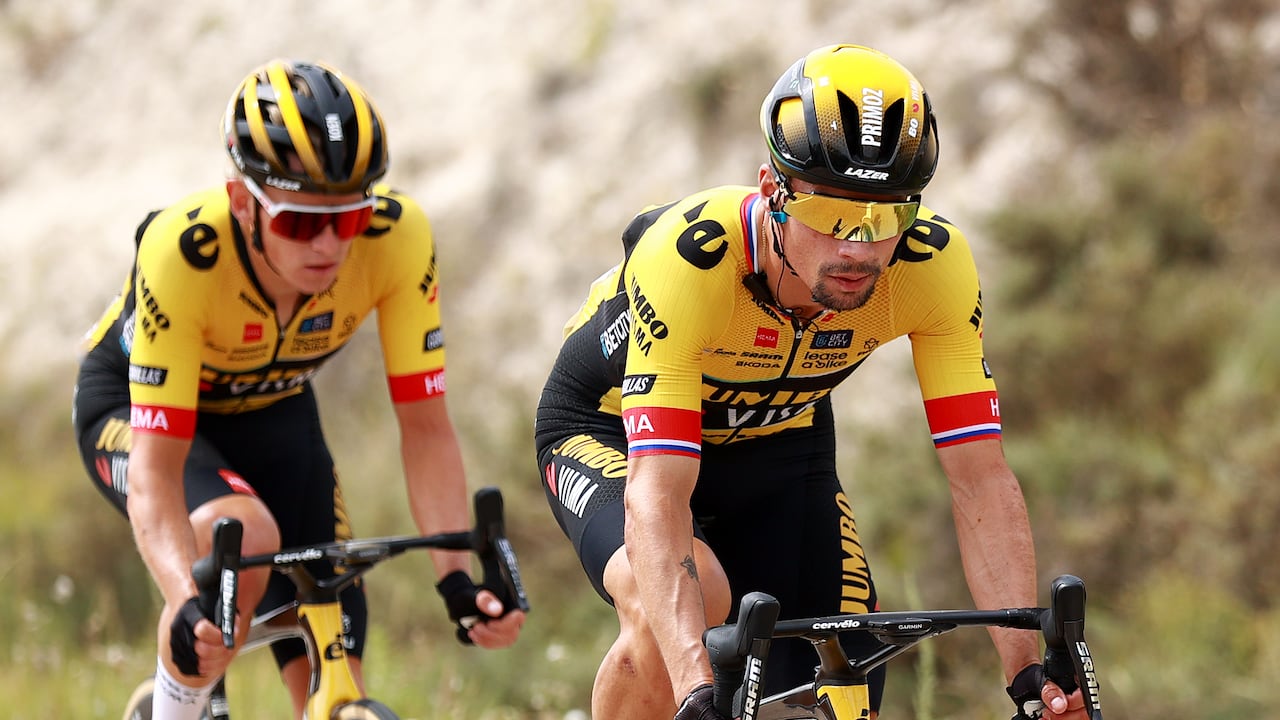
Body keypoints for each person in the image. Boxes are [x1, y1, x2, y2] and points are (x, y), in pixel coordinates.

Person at [534, 44, 1087, 720]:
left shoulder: (933, 268)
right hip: (610, 431)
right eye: (831, 216)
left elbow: (980, 477)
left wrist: (1029, 674)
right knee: (688, 604)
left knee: (843, 677)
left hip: (781, 445)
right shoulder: (692, 261)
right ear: (773, 190)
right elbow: (657, 497)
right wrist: (695, 690)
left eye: (885, 216)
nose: (857, 248)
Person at [72, 59, 525, 720]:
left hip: (274, 407)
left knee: (330, 615)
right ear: (240, 202)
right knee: (242, 537)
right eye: (298, 222)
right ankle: (173, 708)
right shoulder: (181, 251)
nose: (328, 245)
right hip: (143, 411)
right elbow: (157, 467)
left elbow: (426, 426)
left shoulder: (398, 238)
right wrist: (181, 597)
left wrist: (456, 577)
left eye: (347, 220)